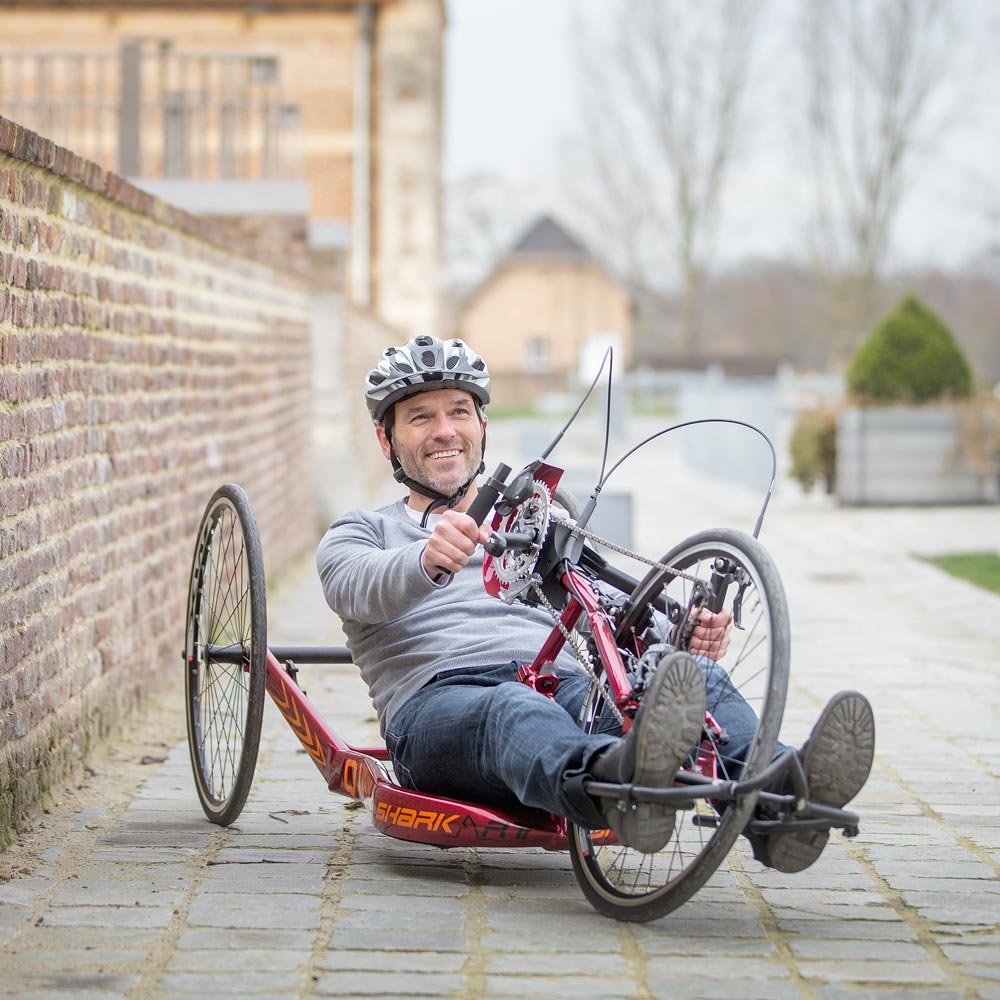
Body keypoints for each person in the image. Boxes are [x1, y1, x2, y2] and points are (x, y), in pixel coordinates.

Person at [317, 335, 875, 868]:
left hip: (566, 688)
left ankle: (780, 794)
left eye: (459, 412)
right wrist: (424, 559)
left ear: (482, 426)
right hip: (441, 708)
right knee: (513, 707)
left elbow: (604, 604)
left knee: (688, 677)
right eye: (420, 417)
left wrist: (680, 636)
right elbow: (355, 585)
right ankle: (617, 790)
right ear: (386, 441)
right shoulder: (363, 531)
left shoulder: (532, 522)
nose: (445, 430)